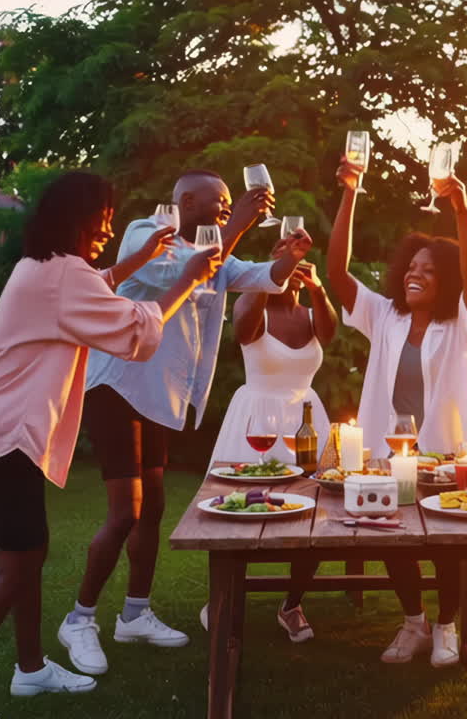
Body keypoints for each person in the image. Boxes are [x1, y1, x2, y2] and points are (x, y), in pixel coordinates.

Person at [0, 171, 219, 719]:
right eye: (104, 215)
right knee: (18, 563)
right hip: (5, 436)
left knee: (27, 557)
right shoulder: (62, 276)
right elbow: (137, 331)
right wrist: (189, 279)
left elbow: (99, 284)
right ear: (79, 218)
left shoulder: (47, 268)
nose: (109, 225)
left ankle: (30, 670)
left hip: (2, 432)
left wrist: (137, 260)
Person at [58, 169, 312, 676]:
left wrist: (289, 257)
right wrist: (238, 223)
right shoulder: (145, 232)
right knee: (125, 511)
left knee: (152, 508)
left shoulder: (213, 250)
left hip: (161, 396)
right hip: (118, 387)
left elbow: (257, 275)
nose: (225, 207)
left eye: (228, 203)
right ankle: (79, 619)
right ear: (186, 200)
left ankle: (135, 612)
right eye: (218, 202)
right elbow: (181, 269)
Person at [328, 157, 467, 668]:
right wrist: (351, 193)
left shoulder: (463, 324)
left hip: (447, 456)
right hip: (389, 455)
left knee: (446, 542)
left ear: (445, 282)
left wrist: (460, 209)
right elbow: (337, 273)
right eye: (412, 268)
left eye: (430, 271)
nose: (416, 276)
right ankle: (414, 621)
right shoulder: (386, 315)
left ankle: (446, 626)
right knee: (390, 530)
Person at [204, 231, 338, 642]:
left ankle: (292, 603)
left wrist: (317, 287)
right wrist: (269, 276)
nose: (292, 266)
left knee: (315, 516)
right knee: (239, 513)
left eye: (298, 258)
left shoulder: (309, 313)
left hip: (307, 422)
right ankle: (223, 596)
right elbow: (242, 331)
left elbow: (330, 333)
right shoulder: (254, 303)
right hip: (257, 421)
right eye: (284, 257)